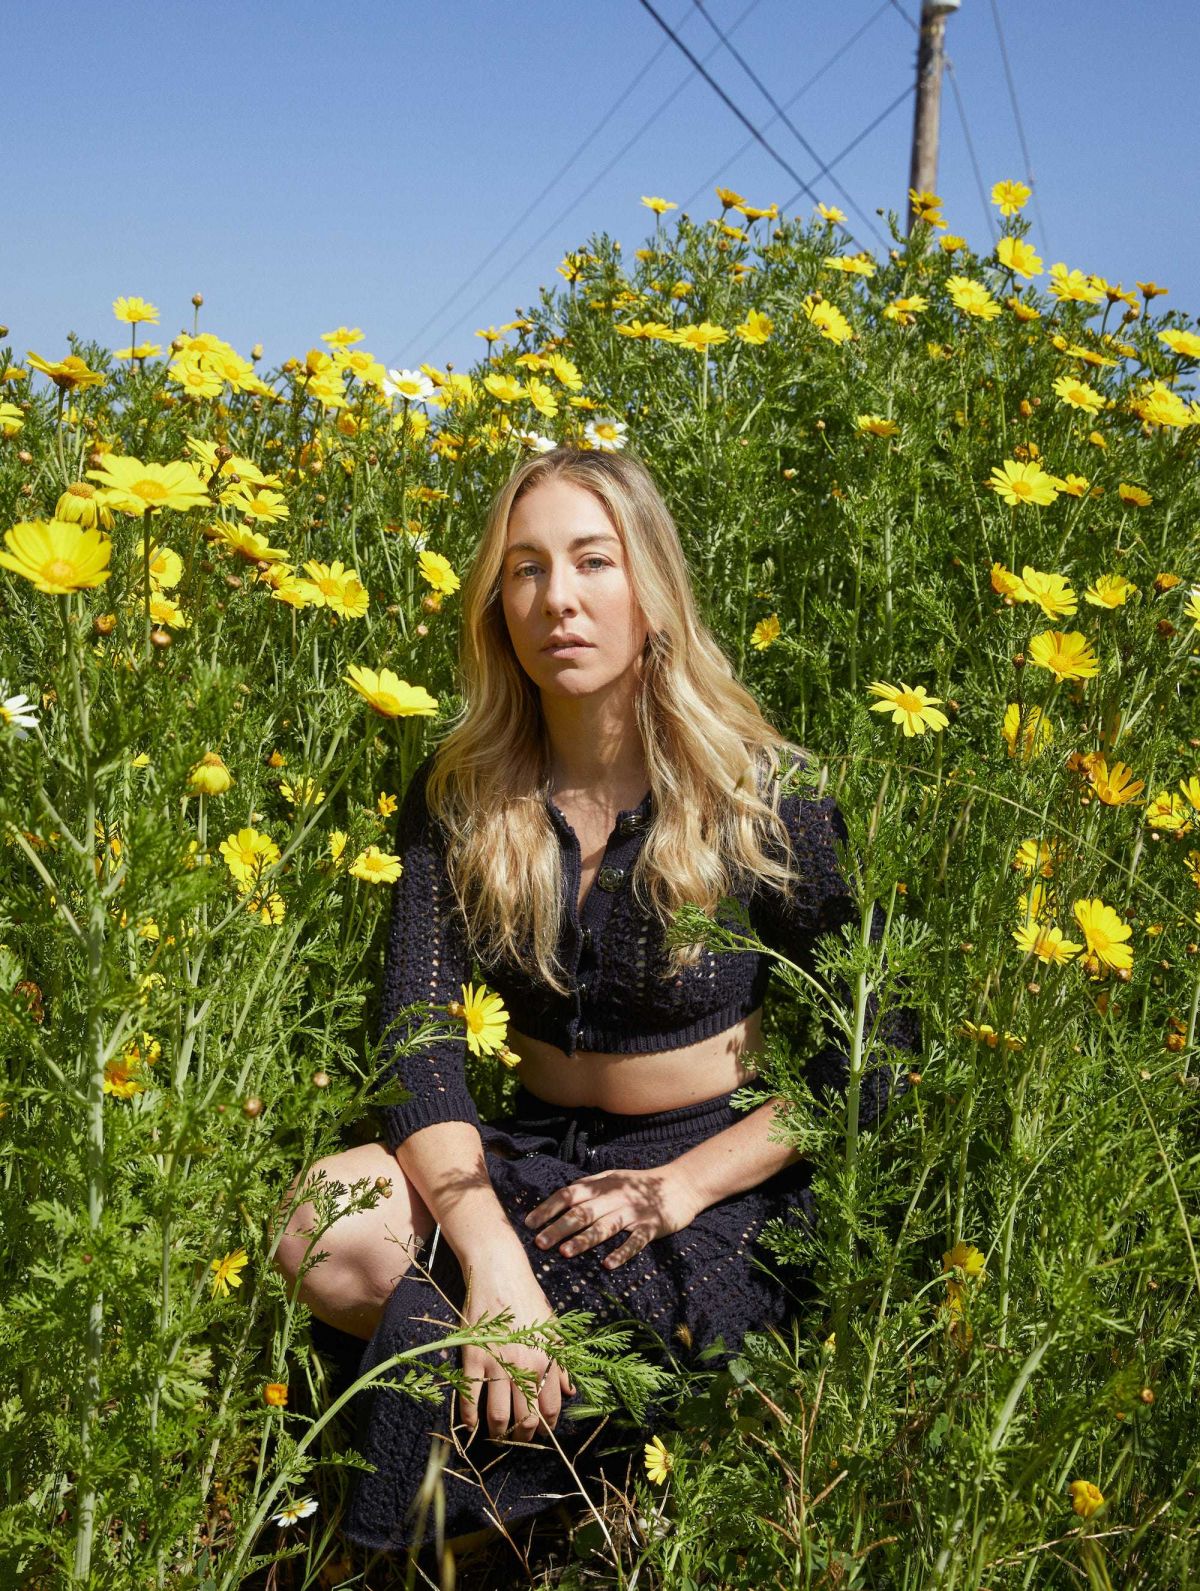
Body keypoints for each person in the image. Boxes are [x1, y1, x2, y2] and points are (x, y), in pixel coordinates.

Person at [272, 445, 918, 1560]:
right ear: (496, 605)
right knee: (320, 1223)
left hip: (708, 1180)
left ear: (650, 587)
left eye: (590, 561)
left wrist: (680, 1187)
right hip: (527, 1155)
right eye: (524, 569)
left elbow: (879, 1049)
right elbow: (418, 1045)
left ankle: (453, 1524)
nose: (556, 599)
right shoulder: (461, 793)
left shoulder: (763, 790)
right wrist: (492, 1258)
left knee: (473, 1340)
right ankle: (558, 1452)